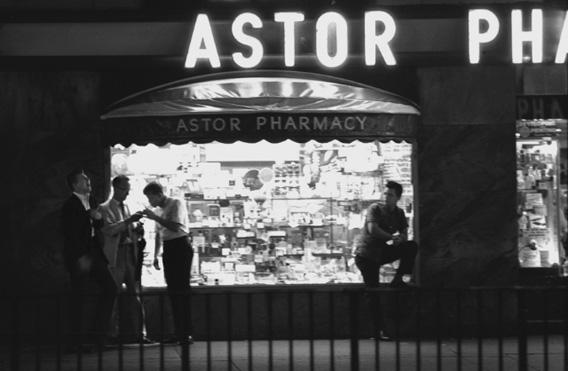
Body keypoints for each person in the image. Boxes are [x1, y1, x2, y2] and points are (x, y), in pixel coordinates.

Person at [61, 169, 117, 350]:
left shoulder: (91, 201)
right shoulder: (70, 205)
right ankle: (75, 342)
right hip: (80, 255)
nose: (89, 182)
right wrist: (81, 256)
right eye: (85, 180)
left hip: (94, 252)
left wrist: (98, 218)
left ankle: (97, 334)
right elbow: (70, 233)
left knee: (110, 288)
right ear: (75, 184)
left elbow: (96, 225)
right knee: (78, 297)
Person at [99, 175, 153, 344]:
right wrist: (129, 221)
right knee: (112, 296)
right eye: (124, 190)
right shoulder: (104, 208)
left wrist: (136, 228)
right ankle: (110, 334)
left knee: (135, 295)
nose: (127, 194)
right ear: (115, 188)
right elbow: (108, 230)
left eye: (128, 190)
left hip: (130, 253)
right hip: (115, 256)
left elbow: (128, 228)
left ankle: (140, 333)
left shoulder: (128, 207)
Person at [142, 182, 194, 345]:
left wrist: (155, 217)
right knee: (172, 290)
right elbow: (159, 234)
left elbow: (175, 226)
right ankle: (177, 332)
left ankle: (186, 333)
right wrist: (156, 254)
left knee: (182, 289)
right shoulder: (157, 210)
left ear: (158, 194)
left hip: (180, 245)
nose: (149, 201)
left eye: (150, 197)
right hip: (169, 248)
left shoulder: (175, 203)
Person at [354, 180, 418, 288]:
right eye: (385, 194)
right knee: (373, 289)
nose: (386, 197)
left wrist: (400, 239)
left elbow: (404, 234)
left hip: (381, 252)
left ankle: (398, 279)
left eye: (390, 195)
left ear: (398, 198)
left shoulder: (399, 213)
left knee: (411, 246)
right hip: (367, 255)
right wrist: (392, 237)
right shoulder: (375, 208)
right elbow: (372, 229)